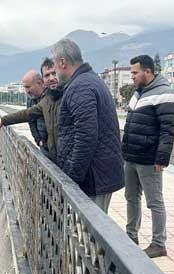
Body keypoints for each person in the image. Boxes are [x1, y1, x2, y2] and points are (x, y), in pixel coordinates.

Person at [51, 38, 124, 213]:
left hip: (93, 178)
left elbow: (86, 136)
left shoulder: (80, 86)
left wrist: (71, 180)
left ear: (62, 62)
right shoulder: (88, 80)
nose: (53, 70)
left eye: (54, 64)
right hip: (98, 174)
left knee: (90, 235)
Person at [122, 54, 174, 258]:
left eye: (135, 72)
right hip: (131, 156)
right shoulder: (137, 93)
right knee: (131, 197)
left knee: (154, 201)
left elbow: (168, 129)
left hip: (149, 159)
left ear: (148, 71)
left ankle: (158, 243)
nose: (132, 76)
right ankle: (131, 235)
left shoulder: (164, 93)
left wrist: (162, 158)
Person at [0, 58, 63, 161]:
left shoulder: (59, 96)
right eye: (47, 75)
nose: (51, 78)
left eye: (54, 74)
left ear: (39, 83)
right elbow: (28, 116)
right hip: (48, 148)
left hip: (61, 152)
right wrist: (39, 141)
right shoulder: (42, 101)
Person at [21, 70, 49, 150]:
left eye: (28, 87)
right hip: (43, 144)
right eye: (25, 87)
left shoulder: (50, 96)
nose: (27, 91)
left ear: (39, 83)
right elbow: (30, 120)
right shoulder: (30, 99)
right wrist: (38, 140)